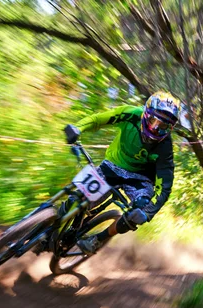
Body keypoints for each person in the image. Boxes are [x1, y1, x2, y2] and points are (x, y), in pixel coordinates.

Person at [64, 91, 180, 254]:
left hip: (139, 180)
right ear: (146, 113)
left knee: (136, 214)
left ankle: (98, 240)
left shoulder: (165, 147)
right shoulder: (131, 114)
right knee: (75, 199)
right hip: (111, 166)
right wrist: (78, 128)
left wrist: (147, 213)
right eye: (154, 121)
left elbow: (164, 187)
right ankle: (53, 225)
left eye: (164, 127)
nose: (156, 129)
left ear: (170, 128)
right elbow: (99, 119)